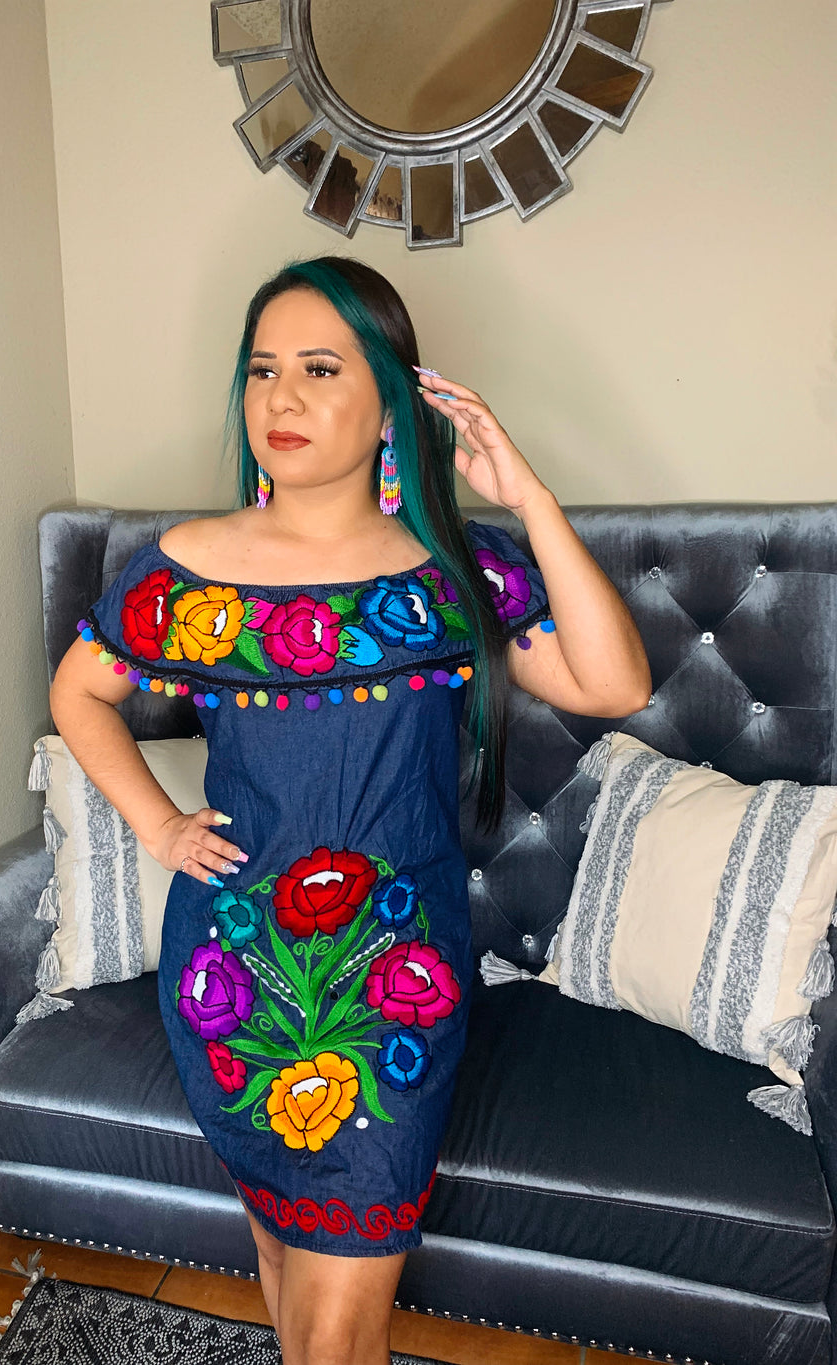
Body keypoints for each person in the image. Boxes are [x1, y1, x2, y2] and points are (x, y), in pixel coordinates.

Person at [49, 256, 651, 1365]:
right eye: (262, 369)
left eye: (320, 369)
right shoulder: (185, 573)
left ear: (389, 404)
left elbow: (613, 685)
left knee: (337, 1320)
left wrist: (526, 498)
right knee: (287, 1263)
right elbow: (78, 692)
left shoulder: (454, 571)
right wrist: (156, 825)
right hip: (232, 973)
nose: (280, 396)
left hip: (398, 980)